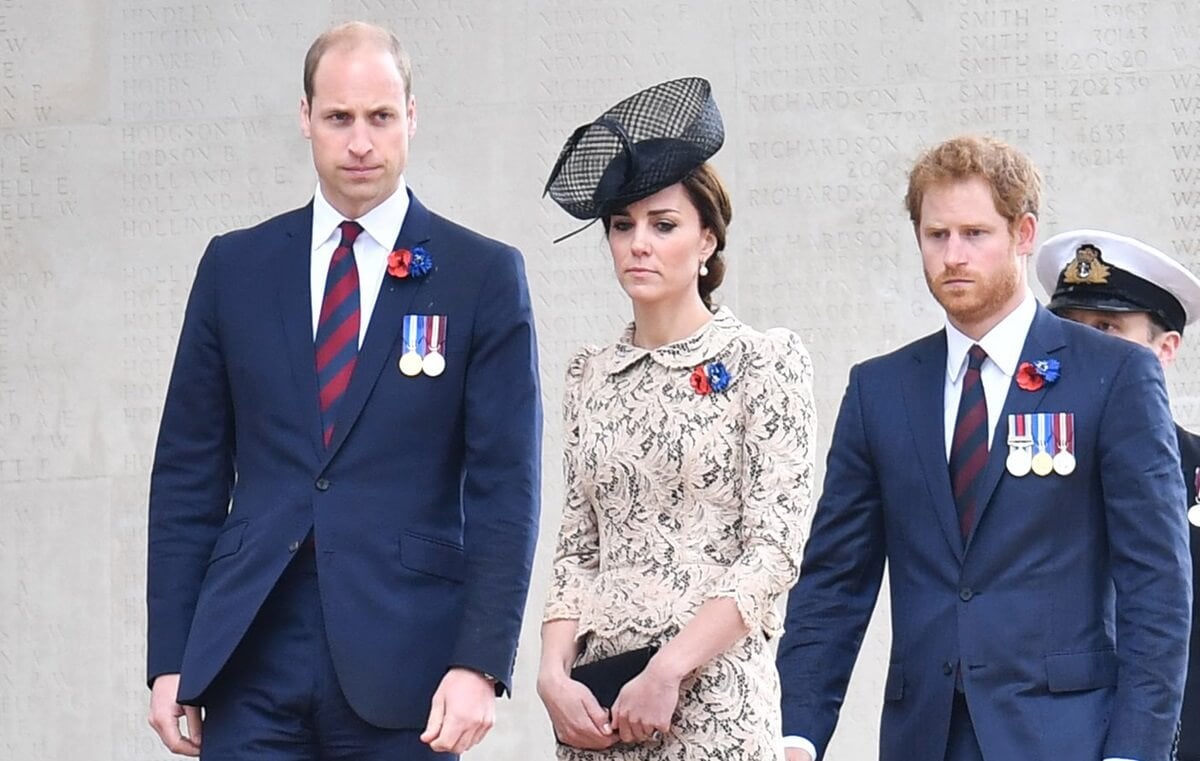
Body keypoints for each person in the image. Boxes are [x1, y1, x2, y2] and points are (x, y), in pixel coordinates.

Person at [145, 21, 541, 760]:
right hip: (247, 653)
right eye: (339, 117)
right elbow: (187, 475)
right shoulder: (236, 267)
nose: (360, 141)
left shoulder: (479, 275)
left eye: (381, 117)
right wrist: (172, 657)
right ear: (305, 118)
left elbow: (505, 486)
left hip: (407, 664)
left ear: (412, 118)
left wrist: (480, 661)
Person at [775, 135, 1191, 761]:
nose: (953, 256)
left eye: (975, 233)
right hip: (923, 737)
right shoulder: (880, 389)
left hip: (1068, 737)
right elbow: (834, 583)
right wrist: (795, 732)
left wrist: (1136, 751)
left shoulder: (1113, 376)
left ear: (1023, 233)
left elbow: (1156, 584)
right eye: (936, 235)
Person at [538, 77, 816, 760]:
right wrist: (551, 675)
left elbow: (774, 549)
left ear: (707, 241)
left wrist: (668, 669)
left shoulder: (763, 359)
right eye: (622, 225)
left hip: (715, 700)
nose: (639, 243)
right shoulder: (590, 374)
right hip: (599, 708)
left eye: (663, 224)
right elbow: (578, 547)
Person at [1036, 228, 1200, 760]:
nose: (1084, 347)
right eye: (1069, 328)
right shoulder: (1010, 467)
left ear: (1165, 349)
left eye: (1107, 328)